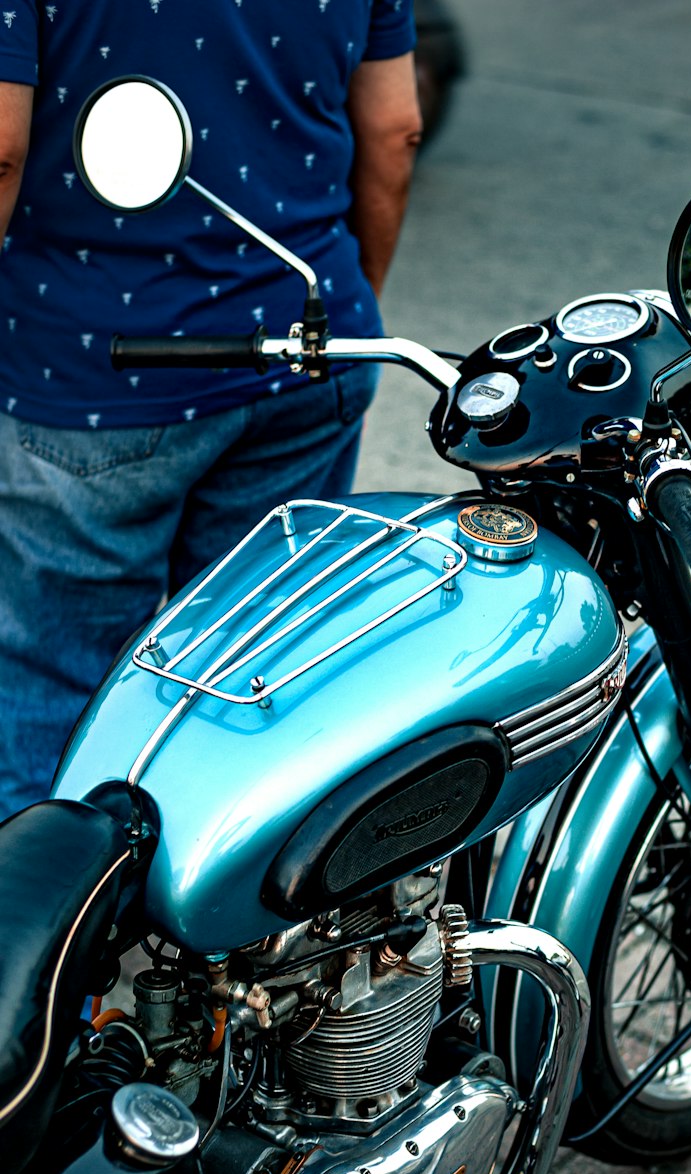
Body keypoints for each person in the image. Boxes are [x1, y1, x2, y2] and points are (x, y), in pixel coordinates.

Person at [0, 2, 422, 820]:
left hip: (87, 374)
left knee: (53, 688)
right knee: (248, 677)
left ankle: (46, 938)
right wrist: (344, 311)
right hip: (304, 350)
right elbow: (395, 131)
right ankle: (222, 930)